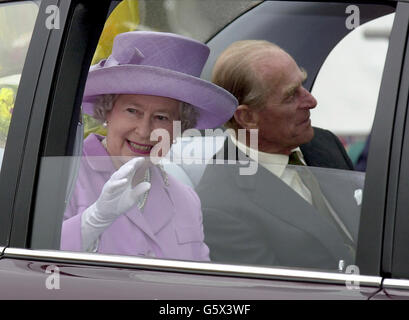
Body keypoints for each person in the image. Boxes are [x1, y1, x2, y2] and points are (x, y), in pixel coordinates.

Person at [60, 31, 238, 262]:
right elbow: (30, 267)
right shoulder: (63, 175)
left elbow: (200, 281)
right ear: (108, 111)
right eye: (132, 111)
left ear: (179, 128)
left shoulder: (185, 199)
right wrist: (92, 221)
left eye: (162, 117)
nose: (144, 131)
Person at [195, 40, 362, 269]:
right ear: (247, 117)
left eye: (302, 85)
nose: (311, 101)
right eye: (291, 95)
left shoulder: (323, 143)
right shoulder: (220, 208)